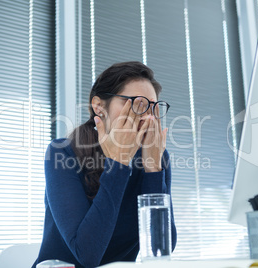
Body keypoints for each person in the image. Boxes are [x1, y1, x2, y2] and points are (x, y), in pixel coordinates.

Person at [32, 61, 177, 268]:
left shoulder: (155, 157)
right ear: (99, 107)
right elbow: (88, 256)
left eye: (153, 107)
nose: (147, 117)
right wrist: (118, 163)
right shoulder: (62, 153)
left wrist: (153, 169)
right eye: (137, 104)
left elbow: (160, 251)